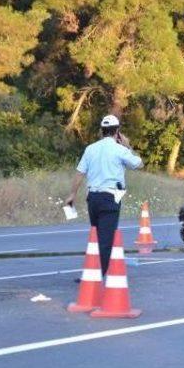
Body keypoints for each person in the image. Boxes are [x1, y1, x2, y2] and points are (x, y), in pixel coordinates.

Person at [65, 114, 143, 276]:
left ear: (101, 131)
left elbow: (79, 173)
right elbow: (138, 164)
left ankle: (94, 271)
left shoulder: (90, 149)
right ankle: (99, 275)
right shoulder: (120, 149)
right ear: (118, 132)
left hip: (92, 198)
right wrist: (128, 147)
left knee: (97, 235)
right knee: (106, 238)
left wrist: (72, 195)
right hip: (111, 197)